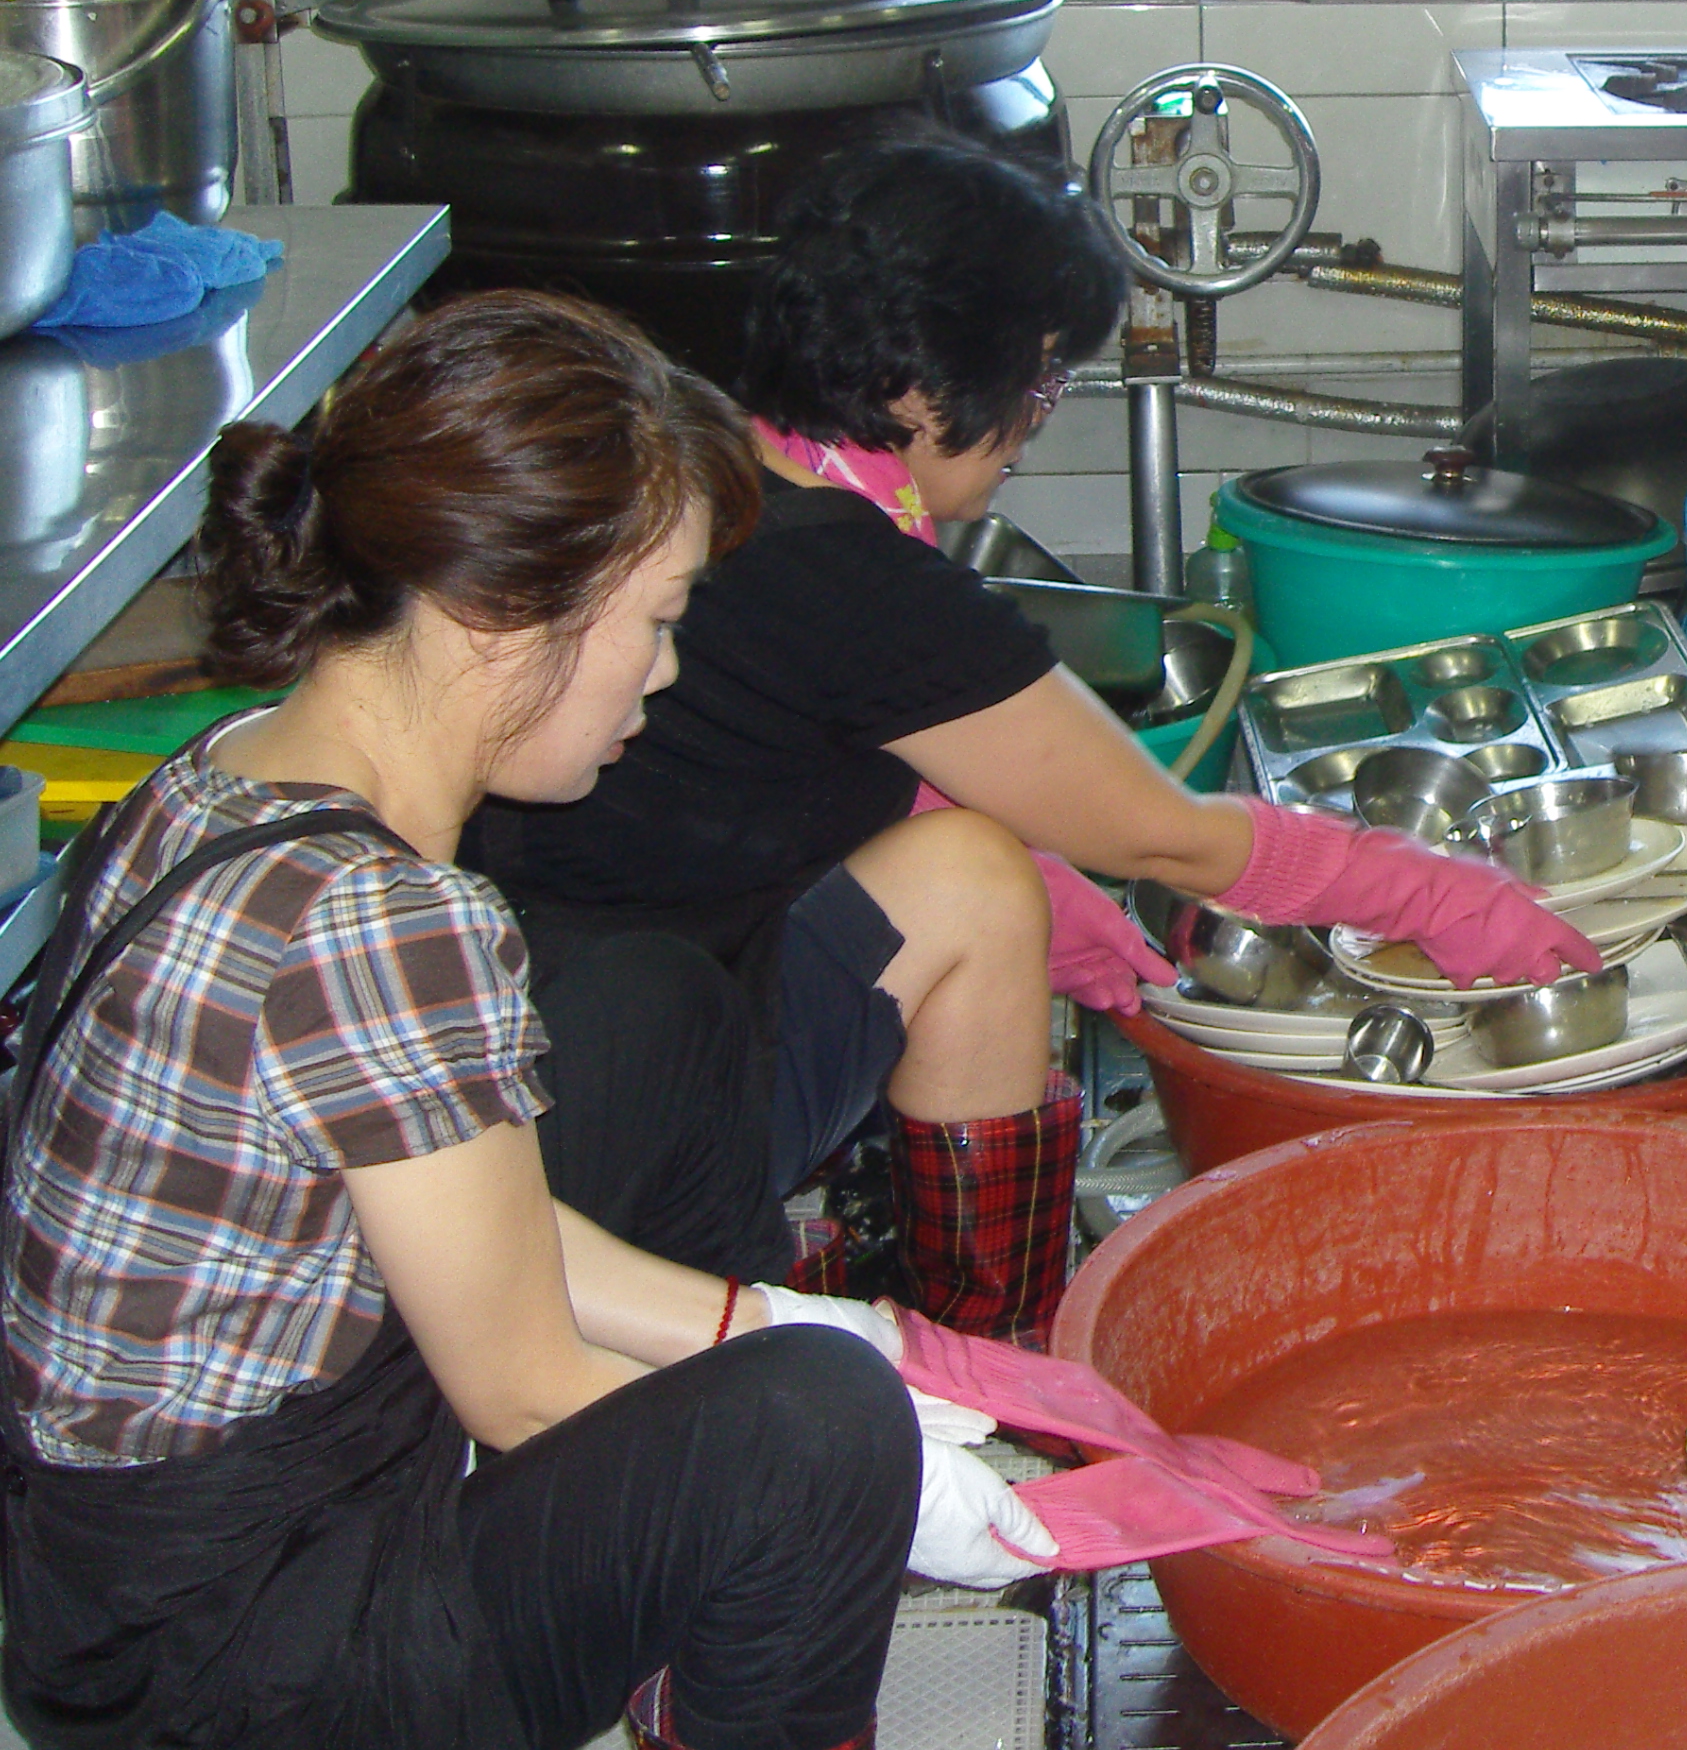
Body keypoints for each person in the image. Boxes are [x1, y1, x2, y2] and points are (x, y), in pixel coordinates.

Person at [0, 296, 957, 1750]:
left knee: (647, 1012)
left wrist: (768, 1320)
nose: (667, 671)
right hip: (240, 1668)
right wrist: (897, 1468)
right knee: (818, 1435)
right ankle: (742, 1595)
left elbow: (465, 1212)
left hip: (98, 1596)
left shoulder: (219, 777)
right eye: (658, 619)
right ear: (501, 612)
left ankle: (698, 1594)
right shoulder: (388, 922)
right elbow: (525, 1391)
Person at [462, 135, 1601, 1346]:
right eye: (1038, 383)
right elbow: (1168, 837)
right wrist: (1430, 892)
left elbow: (783, 756)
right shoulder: (857, 582)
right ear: (915, 386)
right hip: (608, 1136)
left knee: (978, 869)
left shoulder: (720, 464)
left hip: (534, 1036)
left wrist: (1011, 856)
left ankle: (960, 1335)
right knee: (989, 890)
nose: (1034, 426)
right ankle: (989, 1358)